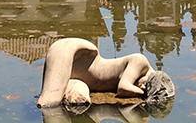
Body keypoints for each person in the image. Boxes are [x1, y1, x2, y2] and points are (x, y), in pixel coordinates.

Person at [37, 37, 175, 112]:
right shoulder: (140, 61)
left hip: (79, 74)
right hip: (76, 54)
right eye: (145, 85)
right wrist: (144, 94)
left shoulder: (141, 75)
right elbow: (123, 87)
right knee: (49, 103)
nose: (142, 86)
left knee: (65, 103)